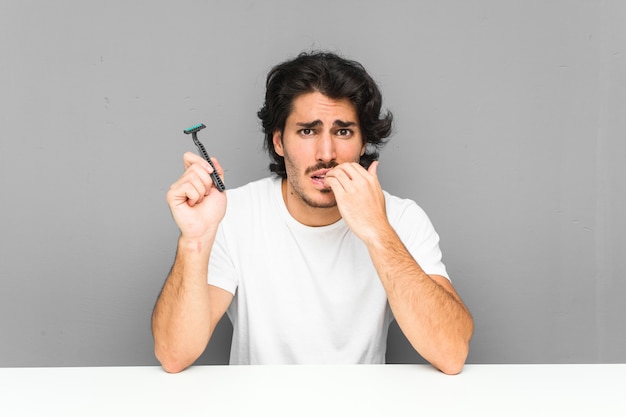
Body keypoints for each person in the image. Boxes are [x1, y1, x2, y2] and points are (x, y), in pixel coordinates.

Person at [151, 51, 474, 375]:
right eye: (307, 131)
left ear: (363, 143)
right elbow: (174, 354)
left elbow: (451, 352)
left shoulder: (401, 218)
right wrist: (194, 239)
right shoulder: (232, 215)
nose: (327, 153)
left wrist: (378, 230)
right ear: (279, 141)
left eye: (343, 131)